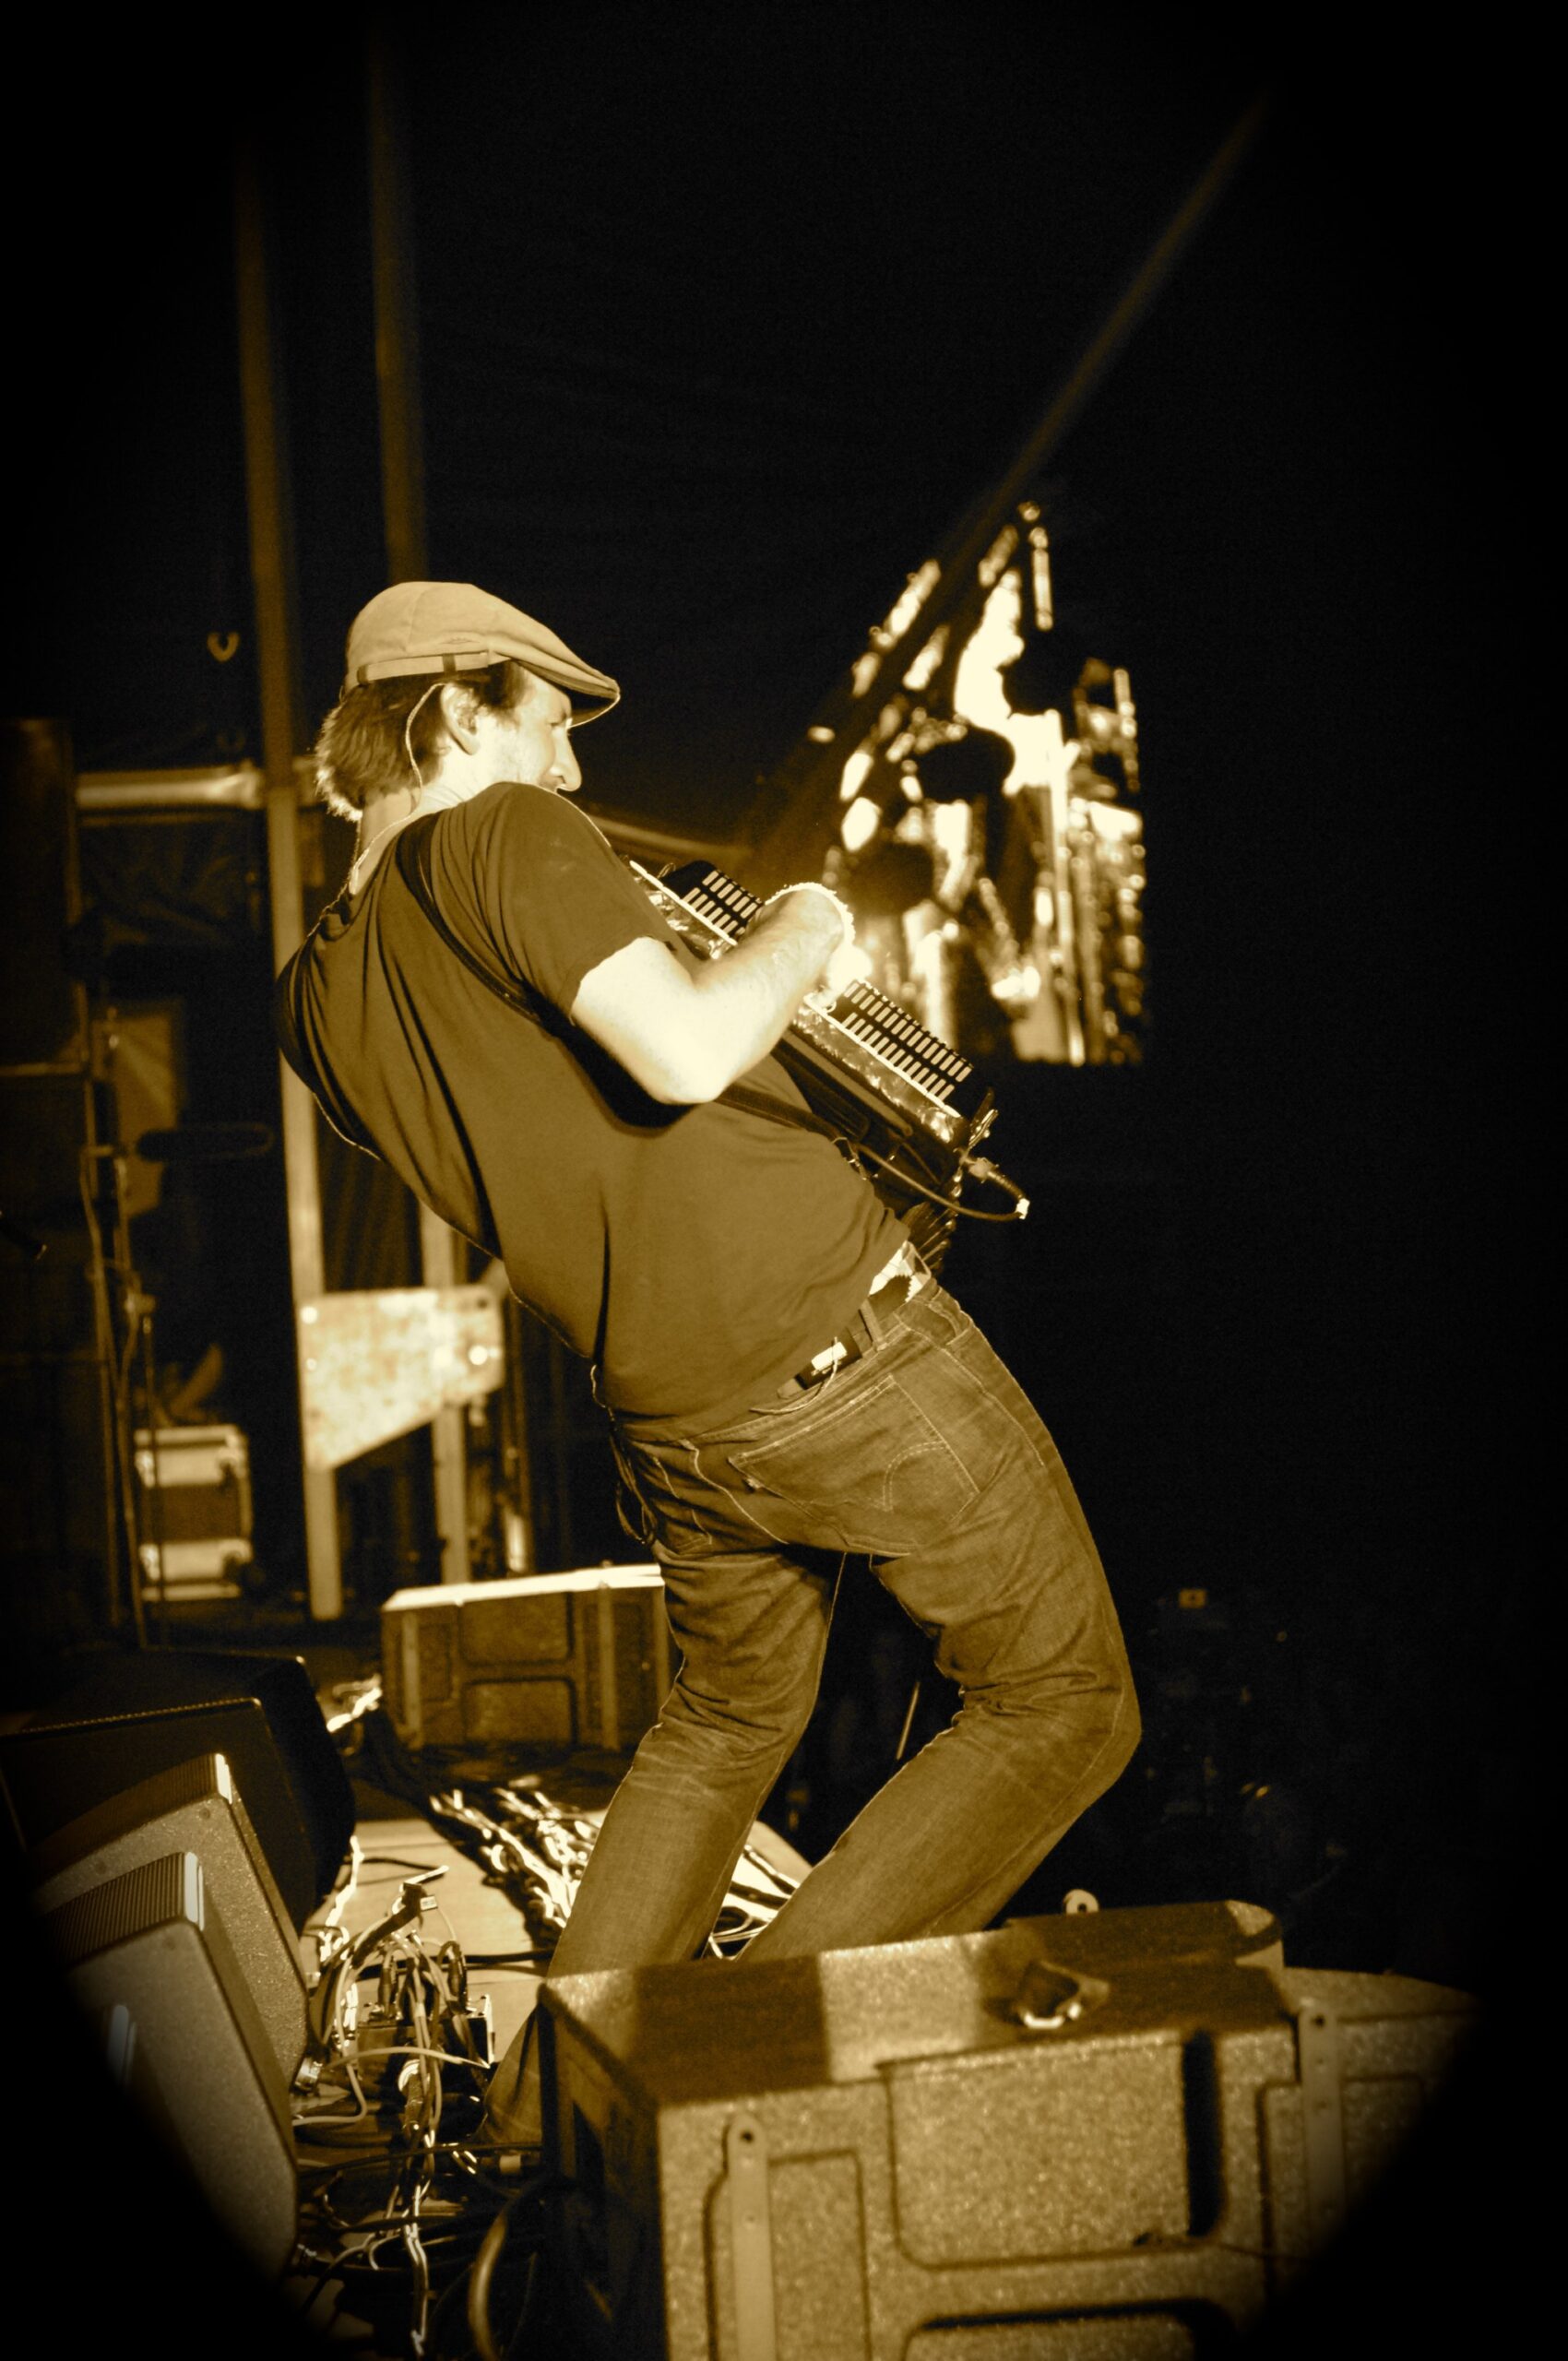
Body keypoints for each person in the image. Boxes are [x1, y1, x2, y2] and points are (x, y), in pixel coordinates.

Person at [277, 579, 1140, 2144]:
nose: (572, 771)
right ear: (458, 711)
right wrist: (804, 922)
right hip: (840, 1356)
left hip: (677, 1421)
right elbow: (679, 1052)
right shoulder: (501, 837)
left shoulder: (318, 992)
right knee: (1065, 1703)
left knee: (725, 1727)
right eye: (549, 727)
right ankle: (733, 2068)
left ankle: (543, 2119)